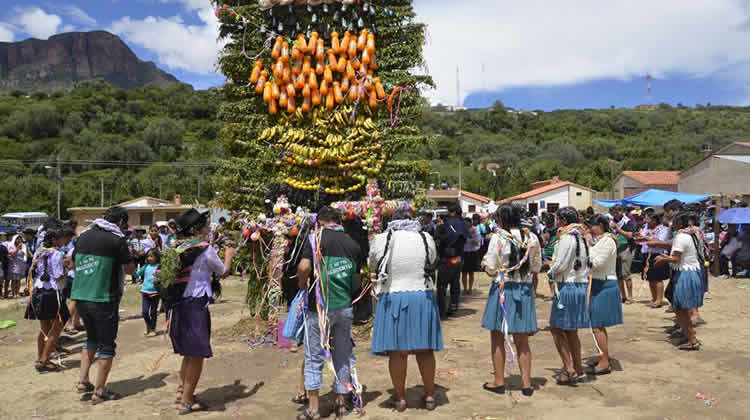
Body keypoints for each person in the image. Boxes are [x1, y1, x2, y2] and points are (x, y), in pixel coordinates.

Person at [369, 210, 442, 411]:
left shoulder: (382, 239)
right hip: (422, 295)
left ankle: (400, 398)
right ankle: (429, 395)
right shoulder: (425, 237)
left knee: (398, 352)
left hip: (393, 296)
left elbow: (372, 264)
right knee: (425, 350)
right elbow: (432, 259)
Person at [296, 206, 361, 420]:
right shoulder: (352, 243)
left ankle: (314, 408)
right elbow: (357, 281)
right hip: (344, 307)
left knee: (314, 356)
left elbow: (304, 267)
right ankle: (341, 403)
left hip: (319, 309)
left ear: (321, 222)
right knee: (342, 355)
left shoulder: (315, 238)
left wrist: (302, 286)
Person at [168, 209, 235, 414]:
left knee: (188, 353)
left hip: (179, 304)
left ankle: (182, 391)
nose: (208, 228)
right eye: (206, 225)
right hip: (196, 304)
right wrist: (230, 255)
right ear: (197, 229)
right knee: (196, 354)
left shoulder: (176, 247)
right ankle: (186, 401)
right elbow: (222, 271)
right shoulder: (205, 249)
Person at [71, 207, 134, 403]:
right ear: (121, 222)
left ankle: (82, 381)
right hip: (103, 299)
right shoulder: (117, 239)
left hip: (80, 297)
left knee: (91, 338)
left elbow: (74, 261)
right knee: (107, 345)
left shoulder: (84, 236)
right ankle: (99, 391)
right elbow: (130, 268)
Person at [481, 204, 541, 397]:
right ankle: (526, 383)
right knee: (522, 340)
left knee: (497, 337)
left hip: (502, 290)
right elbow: (537, 266)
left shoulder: (498, 238)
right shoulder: (532, 237)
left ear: (501, 219)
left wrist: (485, 265)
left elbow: (491, 267)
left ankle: (499, 381)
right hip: (523, 290)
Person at [547, 207, 590, 385]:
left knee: (556, 328)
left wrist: (549, 271)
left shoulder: (567, 238)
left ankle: (569, 367)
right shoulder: (583, 237)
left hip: (567, 286)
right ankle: (578, 368)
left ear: (563, 220)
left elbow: (561, 264)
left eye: (558, 219)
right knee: (571, 330)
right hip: (579, 285)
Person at [654, 212, 705, 351]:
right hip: (689, 272)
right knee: (680, 307)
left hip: (685, 273)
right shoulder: (689, 235)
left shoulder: (681, 236)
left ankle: (691, 338)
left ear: (677, 223)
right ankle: (688, 334)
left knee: (681, 308)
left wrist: (663, 258)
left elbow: (676, 259)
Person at [24, 224, 70, 373]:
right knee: (57, 326)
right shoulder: (57, 254)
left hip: (38, 290)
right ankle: (45, 360)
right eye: (61, 238)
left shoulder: (39, 251)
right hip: (51, 292)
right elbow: (57, 276)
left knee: (44, 327)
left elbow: (34, 269)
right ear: (55, 240)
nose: (64, 241)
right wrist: (66, 268)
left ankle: (40, 358)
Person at [586, 215, 623, 375]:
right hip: (599, 283)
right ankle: (603, 355)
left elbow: (597, 263)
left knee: (597, 326)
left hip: (605, 284)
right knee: (597, 325)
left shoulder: (607, 241)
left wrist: (587, 246)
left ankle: (604, 360)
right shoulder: (602, 240)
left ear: (600, 225)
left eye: (591, 226)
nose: (589, 230)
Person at [436, 203, 468, 317]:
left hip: (447, 258)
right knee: (455, 283)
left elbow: (442, 239)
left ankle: (441, 309)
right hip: (459, 258)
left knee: (442, 286)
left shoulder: (448, 224)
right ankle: (453, 306)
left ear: (453, 212)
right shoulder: (464, 224)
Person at [639, 213, 671, 307]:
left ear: (654, 220)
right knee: (650, 278)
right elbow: (643, 238)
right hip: (646, 254)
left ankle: (659, 300)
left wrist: (646, 238)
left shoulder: (663, 229)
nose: (645, 220)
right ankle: (654, 298)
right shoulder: (645, 228)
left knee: (658, 278)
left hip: (658, 254)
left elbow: (659, 241)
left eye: (647, 218)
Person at [609, 205, 636, 304]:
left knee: (626, 274)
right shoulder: (612, 221)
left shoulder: (627, 221)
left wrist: (618, 229)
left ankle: (630, 297)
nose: (615, 214)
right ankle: (622, 296)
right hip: (615, 249)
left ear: (621, 211)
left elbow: (630, 235)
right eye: (613, 212)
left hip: (626, 249)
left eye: (617, 212)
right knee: (618, 275)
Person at [133, 248, 161, 337]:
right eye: (148, 256)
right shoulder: (145, 266)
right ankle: (149, 326)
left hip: (155, 293)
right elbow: (137, 274)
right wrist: (131, 270)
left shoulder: (159, 266)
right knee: (144, 312)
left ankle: (153, 329)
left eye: (151, 256)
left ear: (156, 257)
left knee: (153, 312)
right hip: (145, 292)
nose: (149, 258)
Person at [461, 217, 482, 295]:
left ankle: (470, 289)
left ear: (470, 223)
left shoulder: (475, 230)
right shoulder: (462, 231)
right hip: (464, 253)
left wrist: (470, 238)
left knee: (471, 272)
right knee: (463, 272)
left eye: (467, 222)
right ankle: (465, 289)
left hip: (472, 253)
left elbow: (477, 242)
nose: (466, 224)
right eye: (464, 223)